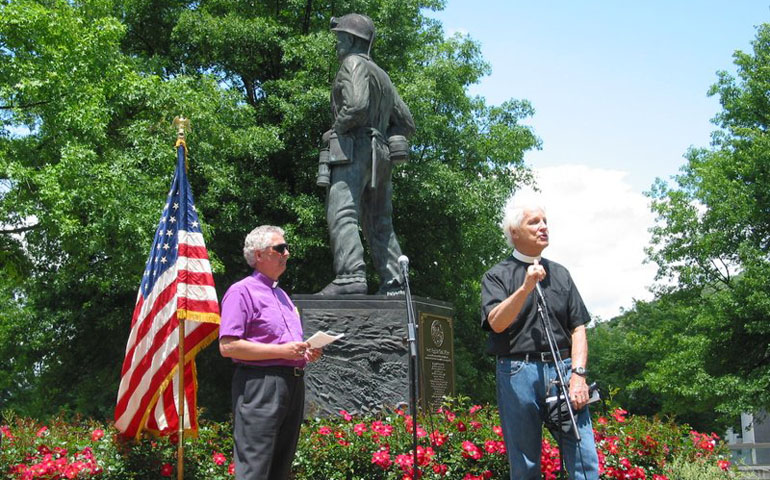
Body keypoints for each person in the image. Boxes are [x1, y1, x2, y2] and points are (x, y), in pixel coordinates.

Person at [480, 191, 600, 480]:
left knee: (585, 458)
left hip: (563, 369)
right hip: (517, 372)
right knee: (525, 465)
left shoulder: (561, 273)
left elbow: (579, 327)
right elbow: (496, 323)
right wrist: (525, 287)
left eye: (545, 221)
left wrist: (579, 375)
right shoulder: (497, 276)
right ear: (514, 232)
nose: (543, 227)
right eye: (534, 222)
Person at [317, 13, 416, 295]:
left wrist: (336, 128)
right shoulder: (382, 76)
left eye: (340, 38)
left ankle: (349, 277)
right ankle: (396, 281)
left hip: (353, 148)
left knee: (342, 212)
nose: (337, 43)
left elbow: (357, 105)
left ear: (351, 39)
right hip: (380, 153)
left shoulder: (352, 63)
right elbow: (406, 122)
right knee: (380, 220)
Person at [219, 225, 322, 480]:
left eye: (286, 248)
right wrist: (282, 351)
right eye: (280, 248)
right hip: (260, 385)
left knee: (281, 468)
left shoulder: (283, 296)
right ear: (258, 255)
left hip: (293, 383)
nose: (286, 253)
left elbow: (287, 347)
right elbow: (228, 346)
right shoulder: (241, 291)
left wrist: (305, 353)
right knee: (256, 468)